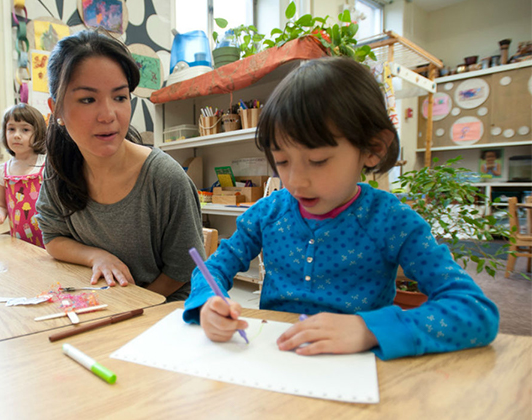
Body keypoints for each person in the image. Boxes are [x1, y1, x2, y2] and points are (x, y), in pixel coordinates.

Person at [183, 57, 499, 360]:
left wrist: (369, 329)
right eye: (281, 162)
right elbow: (212, 268)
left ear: (373, 149)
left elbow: (475, 310)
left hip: (359, 374)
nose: (295, 181)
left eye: (318, 161)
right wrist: (208, 302)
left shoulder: (392, 221)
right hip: (274, 362)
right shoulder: (267, 214)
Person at [35, 30, 204, 302]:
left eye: (120, 97)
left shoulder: (164, 179)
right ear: (57, 110)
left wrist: (130, 307)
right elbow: (53, 237)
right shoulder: (60, 167)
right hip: (103, 302)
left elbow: (182, 271)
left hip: (163, 312)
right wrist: (97, 257)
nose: (108, 115)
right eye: (88, 99)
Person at [0, 103, 47, 247]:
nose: (17, 135)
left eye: (25, 130)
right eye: (11, 129)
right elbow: (0, 204)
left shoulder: (47, 166)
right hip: (19, 241)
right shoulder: (2, 171)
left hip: (49, 241)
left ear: (38, 133)